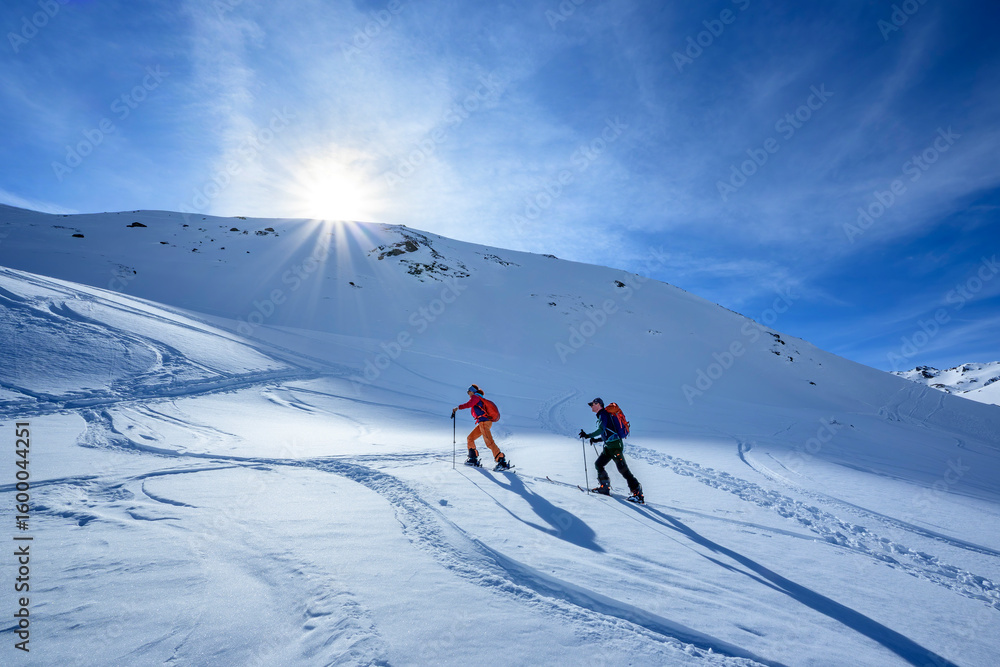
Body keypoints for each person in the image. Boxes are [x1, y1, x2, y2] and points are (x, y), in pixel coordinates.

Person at [578, 397, 643, 503]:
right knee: (599, 464)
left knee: (623, 470)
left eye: (592, 404)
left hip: (615, 447)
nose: (591, 407)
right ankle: (604, 487)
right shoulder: (603, 415)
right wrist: (596, 440)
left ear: (598, 404)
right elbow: (608, 432)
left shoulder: (603, 414)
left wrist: (588, 435)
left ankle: (638, 494)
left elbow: (601, 429)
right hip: (609, 446)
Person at [452, 384, 511, 470]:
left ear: (472, 391)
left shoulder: (475, 397)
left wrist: (458, 407)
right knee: (470, 438)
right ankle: (473, 459)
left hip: (484, 423)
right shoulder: (479, 397)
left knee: (489, 442)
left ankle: (501, 461)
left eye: (468, 392)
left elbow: (469, 404)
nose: (468, 394)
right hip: (483, 423)